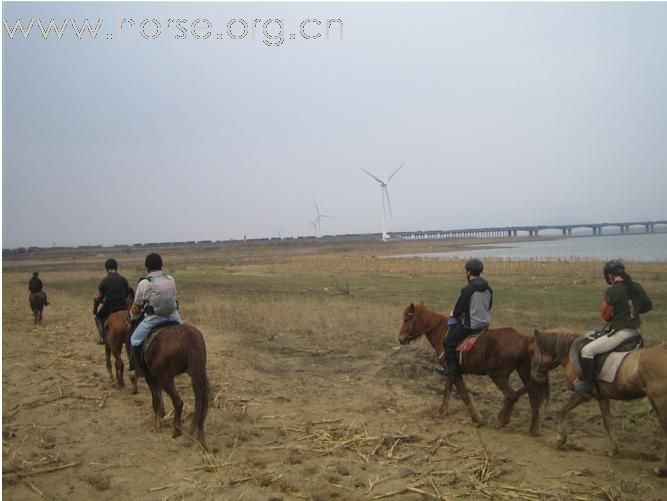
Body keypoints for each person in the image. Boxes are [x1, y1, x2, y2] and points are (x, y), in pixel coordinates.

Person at [573, 260, 653, 398]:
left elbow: (605, 316)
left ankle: (587, 386)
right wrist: (632, 311)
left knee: (587, 350)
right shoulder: (637, 287)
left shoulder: (613, 291)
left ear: (610, 276)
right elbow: (647, 306)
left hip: (622, 333)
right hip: (636, 333)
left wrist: (619, 314)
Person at [129, 253, 182, 377]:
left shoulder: (144, 283)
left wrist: (132, 317)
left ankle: (140, 369)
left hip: (155, 318)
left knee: (134, 340)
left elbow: (136, 306)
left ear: (147, 267)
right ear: (161, 265)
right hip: (174, 316)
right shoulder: (170, 279)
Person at [443, 258, 493, 381]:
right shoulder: (488, 289)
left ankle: (452, 370)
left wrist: (454, 317)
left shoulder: (467, 290)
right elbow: (489, 306)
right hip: (485, 324)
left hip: (471, 325)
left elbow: (458, 310)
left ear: (469, 273)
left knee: (448, 342)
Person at [94, 258, 131, 345]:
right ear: (116, 268)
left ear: (106, 269)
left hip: (110, 307)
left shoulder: (104, 281)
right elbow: (128, 294)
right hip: (123, 306)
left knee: (98, 318)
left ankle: (102, 336)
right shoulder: (123, 279)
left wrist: (95, 308)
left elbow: (97, 298)